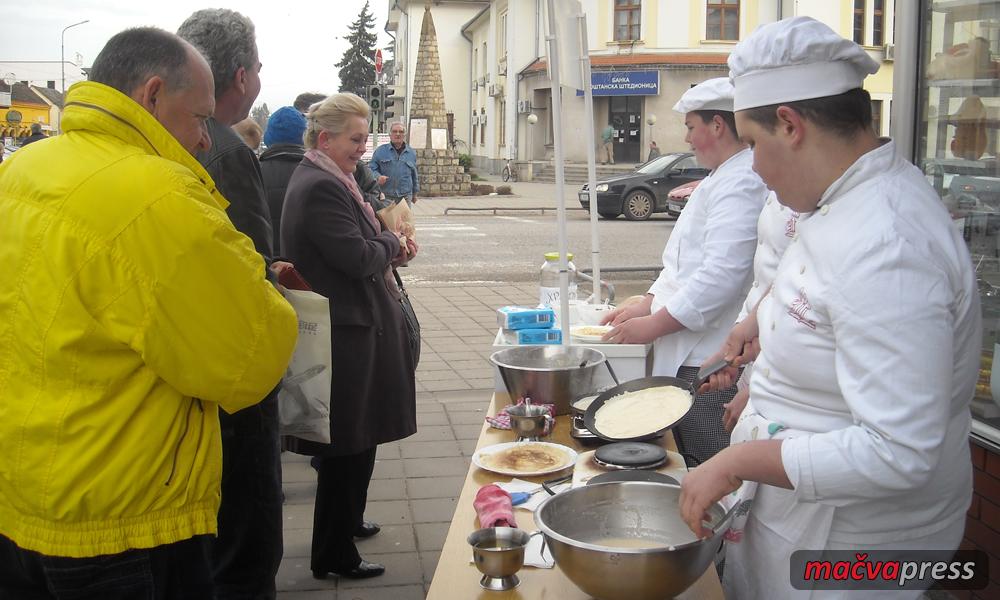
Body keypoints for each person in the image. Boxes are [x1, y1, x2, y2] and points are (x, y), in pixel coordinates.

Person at [680, 17, 980, 599]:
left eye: (753, 145)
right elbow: (823, 310)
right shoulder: (842, 200)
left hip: (853, 551)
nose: (757, 172)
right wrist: (762, 357)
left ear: (789, 124)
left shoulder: (889, 244)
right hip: (805, 522)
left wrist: (737, 459)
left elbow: (898, 453)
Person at [0, 27, 297, 598]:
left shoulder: (23, 171)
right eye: (201, 119)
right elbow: (250, 360)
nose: (208, 141)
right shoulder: (161, 195)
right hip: (122, 520)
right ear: (152, 95)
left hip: (23, 503)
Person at [281, 93, 418, 580]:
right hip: (345, 336)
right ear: (325, 138)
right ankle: (333, 555)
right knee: (345, 448)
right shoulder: (320, 185)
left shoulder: (331, 177)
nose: (363, 148)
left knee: (358, 440)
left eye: (365, 138)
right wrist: (391, 242)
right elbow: (357, 256)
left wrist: (390, 250)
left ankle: (348, 525)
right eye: (355, 139)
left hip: (355, 330)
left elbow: (361, 250)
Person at [601, 77, 767, 466]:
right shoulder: (722, 176)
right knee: (685, 455)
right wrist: (648, 302)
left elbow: (720, 278)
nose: (688, 139)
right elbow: (683, 265)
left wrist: (654, 324)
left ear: (718, 126)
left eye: (692, 127)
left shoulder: (741, 182)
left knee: (707, 461)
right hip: (690, 345)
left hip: (708, 357)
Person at [177, 9, 282, 599]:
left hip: (185, 379)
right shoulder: (223, 149)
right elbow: (246, 284)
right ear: (240, 76)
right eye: (260, 68)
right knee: (243, 547)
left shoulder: (164, 145)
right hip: (234, 391)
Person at [260, 106, 307, 255]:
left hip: (267, 264)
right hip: (307, 265)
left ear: (268, 137)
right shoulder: (318, 172)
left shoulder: (253, 172)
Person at [370, 121, 419, 206]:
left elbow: (414, 175)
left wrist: (415, 193)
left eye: (401, 132)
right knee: (386, 219)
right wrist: (378, 177)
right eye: (394, 131)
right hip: (386, 196)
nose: (398, 134)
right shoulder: (380, 151)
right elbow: (371, 168)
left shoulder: (411, 153)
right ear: (390, 134)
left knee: (404, 220)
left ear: (404, 135)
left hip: (405, 196)